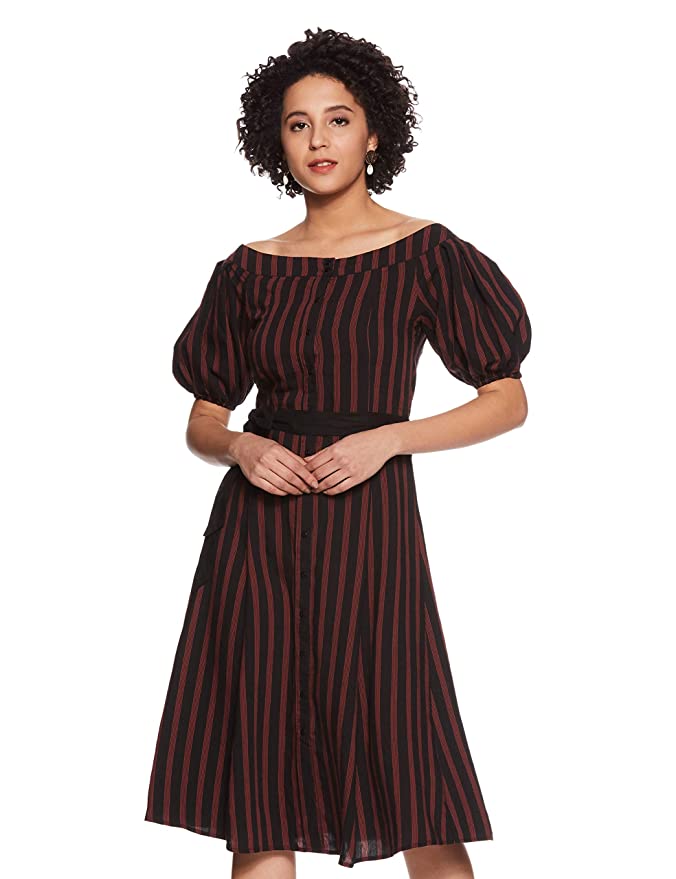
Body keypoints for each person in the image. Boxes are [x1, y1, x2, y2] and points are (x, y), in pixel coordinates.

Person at [144, 26, 532, 879]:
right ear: (275, 142)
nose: (318, 139)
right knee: (260, 792)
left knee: (413, 771)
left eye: (338, 119)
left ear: (375, 132)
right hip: (257, 536)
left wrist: (391, 439)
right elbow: (203, 418)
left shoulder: (426, 253)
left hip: (371, 531)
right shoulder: (248, 269)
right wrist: (241, 447)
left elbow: (507, 399)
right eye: (298, 124)